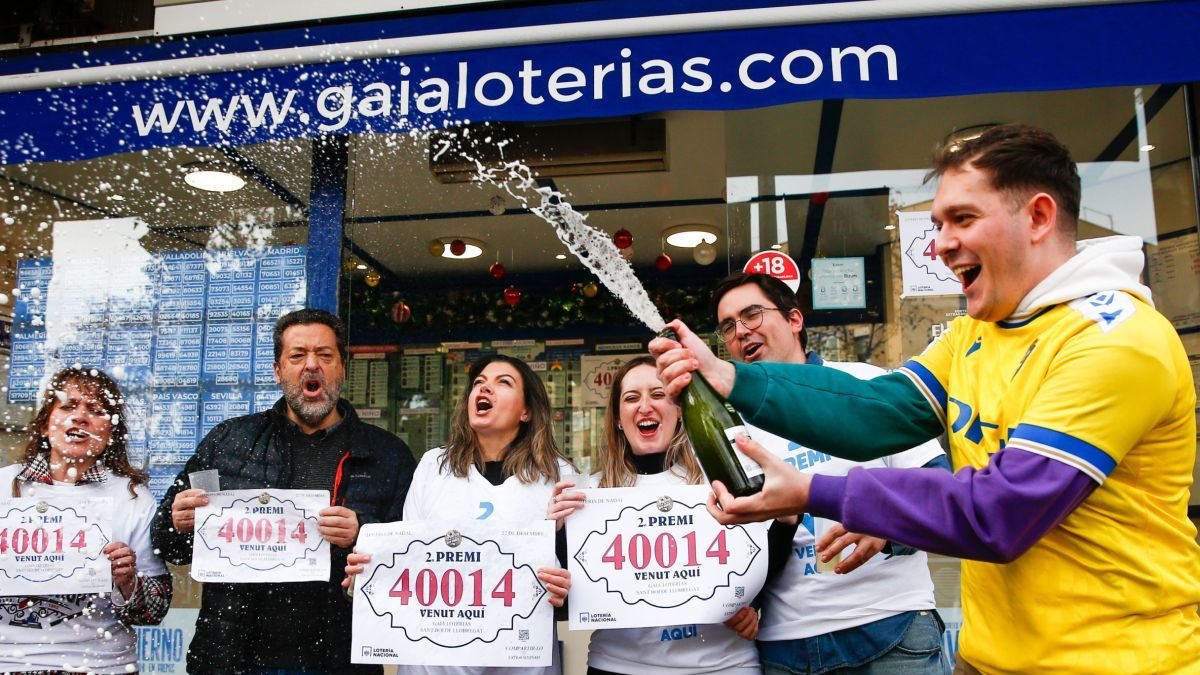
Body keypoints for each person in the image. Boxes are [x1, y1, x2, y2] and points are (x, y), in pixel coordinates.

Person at [651, 123, 1200, 674]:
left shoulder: (1114, 339)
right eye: (939, 224)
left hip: (1119, 661)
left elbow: (999, 512)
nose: (940, 244)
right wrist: (726, 376)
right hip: (987, 659)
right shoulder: (975, 332)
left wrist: (813, 492)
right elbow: (877, 412)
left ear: (1037, 217)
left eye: (964, 218)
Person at [152, 308, 416, 674]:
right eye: (297, 355)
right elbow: (168, 545)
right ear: (278, 371)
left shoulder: (387, 454)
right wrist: (178, 522)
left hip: (339, 660)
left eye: (325, 355)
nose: (312, 365)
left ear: (342, 368)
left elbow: (411, 558)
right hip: (232, 659)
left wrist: (362, 534)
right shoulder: (227, 442)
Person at [712, 272, 950, 674]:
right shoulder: (730, 425)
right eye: (728, 326)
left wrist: (886, 526)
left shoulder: (864, 383)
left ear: (794, 319)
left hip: (889, 627)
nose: (741, 331)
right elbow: (735, 542)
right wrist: (743, 601)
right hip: (786, 647)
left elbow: (939, 492)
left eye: (752, 314)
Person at [345, 354, 572, 675]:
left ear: (527, 411)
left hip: (523, 662)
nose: (485, 388)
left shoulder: (557, 476)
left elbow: (578, 579)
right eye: (479, 382)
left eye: (503, 382)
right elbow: (408, 557)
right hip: (435, 664)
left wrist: (564, 583)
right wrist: (368, 574)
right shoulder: (434, 466)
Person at [546, 355, 762, 675]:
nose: (645, 406)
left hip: (723, 664)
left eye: (658, 394)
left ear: (679, 410)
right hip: (619, 666)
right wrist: (555, 535)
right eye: (632, 398)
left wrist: (753, 605)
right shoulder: (588, 495)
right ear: (618, 419)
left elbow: (762, 558)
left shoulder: (720, 480)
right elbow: (566, 600)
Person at [1, 367, 172, 674]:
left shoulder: (133, 498)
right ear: (44, 425)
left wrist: (127, 582)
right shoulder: (2, 486)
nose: (80, 417)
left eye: (96, 410)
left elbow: (154, 612)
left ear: (111, 433)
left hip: (100, 666)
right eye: (68, 406)